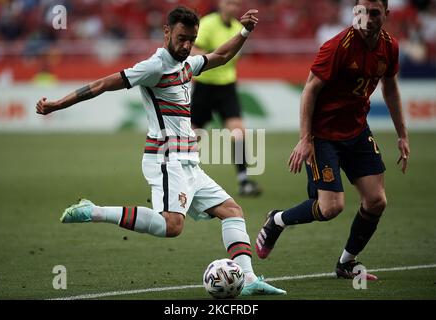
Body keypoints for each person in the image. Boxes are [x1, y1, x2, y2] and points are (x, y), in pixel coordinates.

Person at [36, 6, 285, 296]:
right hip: (166, 159)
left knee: (232, 211)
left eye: (192, 39)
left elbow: (220, 56)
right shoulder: (153, 67)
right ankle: (94, 211)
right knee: (172, 225)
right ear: (166, 32)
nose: (187, 45)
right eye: (181, 38)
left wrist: (244, 32)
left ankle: (249, 279)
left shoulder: (186, 65)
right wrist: (57, 104)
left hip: (189, 161)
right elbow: (103, 84)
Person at [255, 0, 410, 280]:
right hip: (324, 136)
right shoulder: (338, 46)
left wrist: (402, 134)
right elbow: (309, 90)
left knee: (376, 201)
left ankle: (346, 263)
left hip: (357, 131)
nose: (366, 19)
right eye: (360, 12)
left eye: (374, 13)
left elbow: (390, 88)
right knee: (330, 207)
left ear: (385, 14)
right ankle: (276, 221)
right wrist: (306, 139)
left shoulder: (390, 46)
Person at [190, 0, 262, 197]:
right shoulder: (207, 23)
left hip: (227, 87)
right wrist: (217, 56)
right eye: (230, 3)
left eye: (236, 4)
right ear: (221, 4)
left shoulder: (240, 28)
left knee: (238, 132)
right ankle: (181, 176)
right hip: (205, 86)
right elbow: (194, 50)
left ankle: (243, 181)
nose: (233, 7)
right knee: (192, 135)